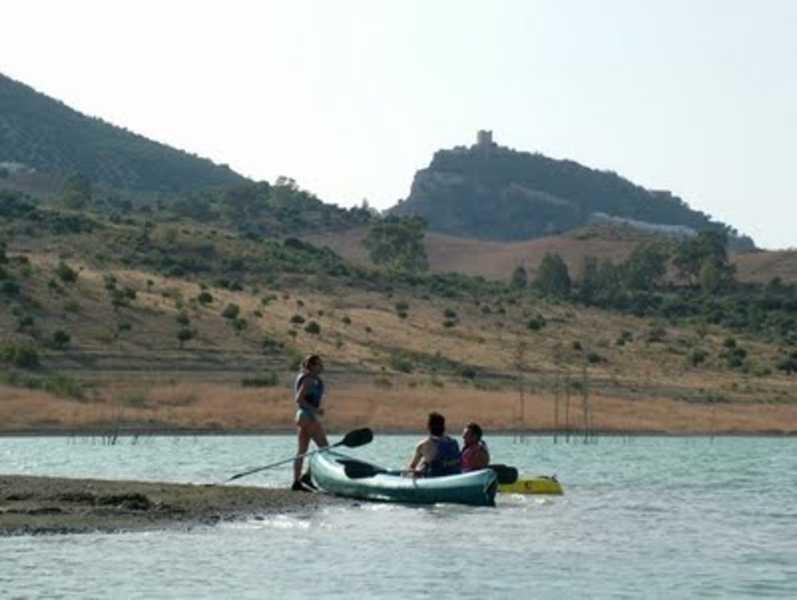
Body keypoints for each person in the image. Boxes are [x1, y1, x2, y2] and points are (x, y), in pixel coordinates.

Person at [292, 354, 329, 491]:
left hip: (303, 416)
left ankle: (296, 482)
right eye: (319, 364)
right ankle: (307, 476)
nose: (322, 367)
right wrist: (316, 411)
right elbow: (299, 400)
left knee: (302, 451)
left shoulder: (311, 379)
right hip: (308, 416)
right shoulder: (308, 380)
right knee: (324, 448)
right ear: (312, 366)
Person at [408, 412, 461, 477]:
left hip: (434, 477)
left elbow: (412, 467)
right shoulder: (454, 442)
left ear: (429, 427)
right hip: (455, 476)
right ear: (443, 427)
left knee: (425, 464)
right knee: (425, 463)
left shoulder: (423, 445)